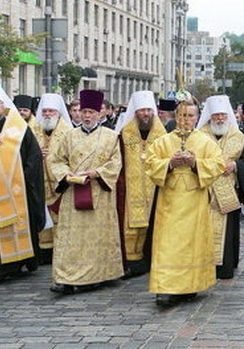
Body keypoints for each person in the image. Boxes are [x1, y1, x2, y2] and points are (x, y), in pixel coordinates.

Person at [145, 100, 225, 307]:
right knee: (167, 244)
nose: (186, 120)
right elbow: (150, 163)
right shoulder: (163, 141)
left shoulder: (205, 142)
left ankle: (191, 284)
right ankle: (165, 287)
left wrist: (195, 163)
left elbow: (218, 165)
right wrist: (170, 163)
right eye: (182, 116)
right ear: (176, 116)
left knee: (192, 244)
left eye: (190, 116)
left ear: (197, 117)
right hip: (169, 202)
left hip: (194, 201)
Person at [47, 90, 123, 294]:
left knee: (97, 236)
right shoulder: (68, 136)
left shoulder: (111, 137)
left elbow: (116, 164)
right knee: (69, 237)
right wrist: (66, 173)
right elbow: (55, 160)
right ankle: (65, 277)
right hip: (73, 191)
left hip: (99, 193)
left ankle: (99, 273)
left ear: (100, 113)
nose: (87, 116)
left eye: (91, 112)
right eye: (84, 111)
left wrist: (97, 172)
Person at [198, 95, 244, 280]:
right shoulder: (199, 136)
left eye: (222, 115)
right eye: (216, 116)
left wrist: (236, 166)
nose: (220, 119)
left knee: (227, 230)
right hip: (205, 190)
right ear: (210, 116)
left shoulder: (238, 136)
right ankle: (204, 265)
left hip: (228, 190)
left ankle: (225, 266)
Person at [114, 91, 167, 279]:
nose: (145, 114)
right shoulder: (124, 134)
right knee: (129, 225)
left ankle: (150, 259)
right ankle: (129, 262)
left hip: (155, 190)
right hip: (130, 191)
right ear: (135, 112)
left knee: (154, 223)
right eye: (142, 110)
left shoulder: (162, 135)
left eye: (148, 110)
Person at [0, 88, 46, 280]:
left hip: (18, 187)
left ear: (2, 106)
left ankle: (14, 264)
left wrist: (22, 178)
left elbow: (34, 157)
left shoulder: (18, 128)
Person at [34, 93, 73, 265]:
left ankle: (61, 251)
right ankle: (44, 253)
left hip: (60, 185)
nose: (47, 114)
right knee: (43, 218)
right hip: (39, 183)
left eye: (51, 111)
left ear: (58, 112)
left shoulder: (68, 132)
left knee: (60, 219)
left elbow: (73, 156)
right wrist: (37, 155)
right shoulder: (33, 130)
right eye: (45, 111)